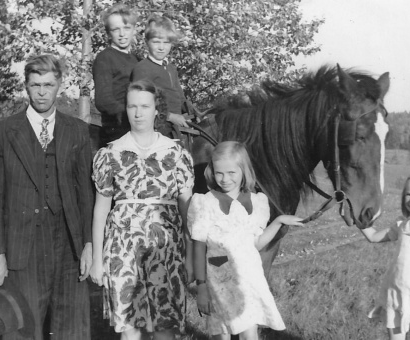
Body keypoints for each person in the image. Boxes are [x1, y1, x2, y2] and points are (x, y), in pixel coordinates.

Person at [0, 54, 94, 340]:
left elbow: (85, 195)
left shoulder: (78, 130)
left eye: (48, 84)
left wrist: (89, 244)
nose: (42, 92)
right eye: (35, 85)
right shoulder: (2, 132)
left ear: (59, 85)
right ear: (26, 86)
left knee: (71, 331)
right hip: (23, 247)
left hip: (69, 246)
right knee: (23, 328)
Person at [89, 80, 194, 340]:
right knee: (130, 326)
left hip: (167, 248)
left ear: (157, 109)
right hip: (123, 246)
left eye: (144, 106)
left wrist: (191, 254)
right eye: (132, 106)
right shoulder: (110, 153)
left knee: (165, 325)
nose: (138, 113)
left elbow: (187, 210)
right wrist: (96, 261)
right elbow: (101, 210)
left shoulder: (176, 153)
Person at [188, 141, 303, 340]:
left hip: (248, 279)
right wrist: (202, 287)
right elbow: (198, 248)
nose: (225, 179)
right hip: (219, 280)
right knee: (221, 333)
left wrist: (278, 221)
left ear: (244, 170)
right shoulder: (205, 203)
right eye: (219, 173)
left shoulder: (257, 202)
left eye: (232, 173)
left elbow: (255, 244)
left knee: (250, 333)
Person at [361, 171, 410, 340]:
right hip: (396, 295)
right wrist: (356, 219)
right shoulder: (402, 224)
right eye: (408, 194)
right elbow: (373, 237)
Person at [131, 15, 195, 138]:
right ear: (147, 42)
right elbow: (141, 103)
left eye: (166, 42)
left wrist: (191, 109)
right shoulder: (143, 68)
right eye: (156, 42)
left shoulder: (171, 68)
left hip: (176, 126)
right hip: (157, 127)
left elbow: (180, 98)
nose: (161, 47)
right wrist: (170, 117)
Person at [93, 4, 140, 149]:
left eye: (126, 28)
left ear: (134, 30)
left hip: (141, 122)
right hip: (119, 125)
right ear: (108, 33)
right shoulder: (105, 58)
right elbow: (103, 100)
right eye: (115, 29)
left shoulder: (138, 59)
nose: (122, 34)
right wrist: (131, 113)